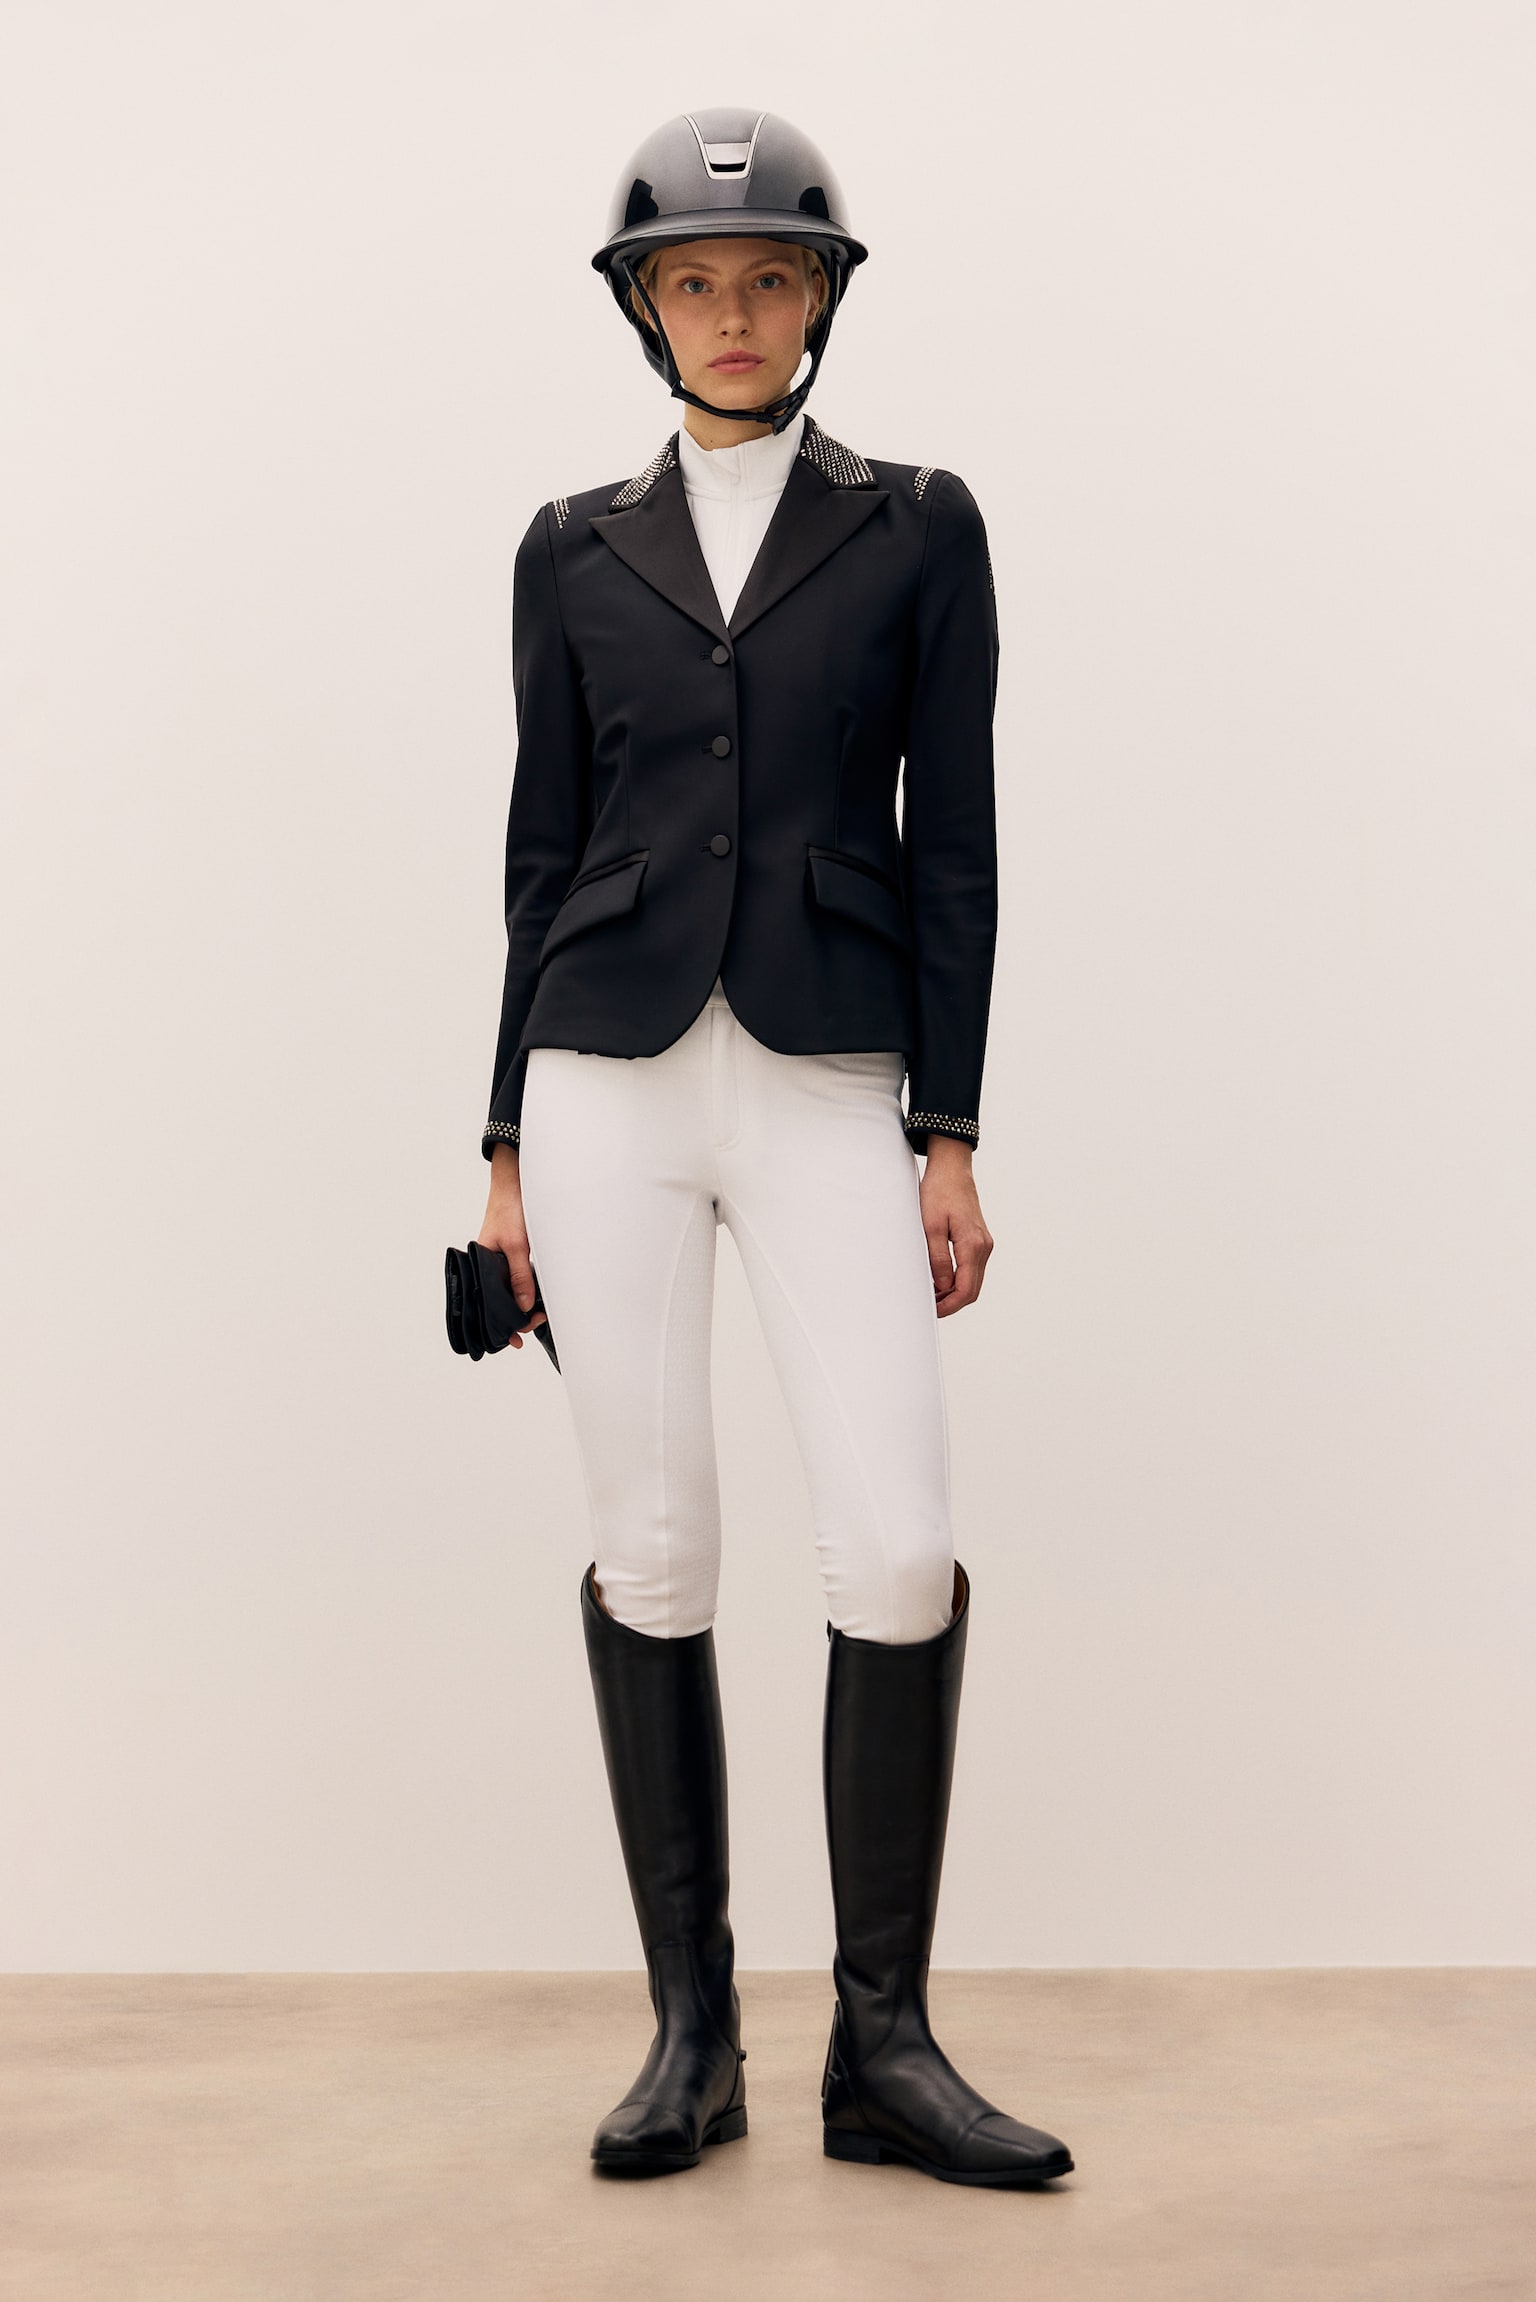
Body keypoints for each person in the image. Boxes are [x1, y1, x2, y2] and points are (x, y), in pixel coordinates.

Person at [475, 107, 1073, 2189]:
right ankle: (693, 2035)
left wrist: (951, 1130)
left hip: (831, 1071)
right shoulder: (568, 548)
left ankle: (882, 2046)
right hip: (604, 1079)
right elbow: (540, 850)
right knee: (654, 1544)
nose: (733, 313)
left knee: (894, 1547)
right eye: (694, 282)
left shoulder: (918, 526)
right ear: (647, 309)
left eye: (770, 277)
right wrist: (498, 1149)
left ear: (821, 298)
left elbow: (957, 843)